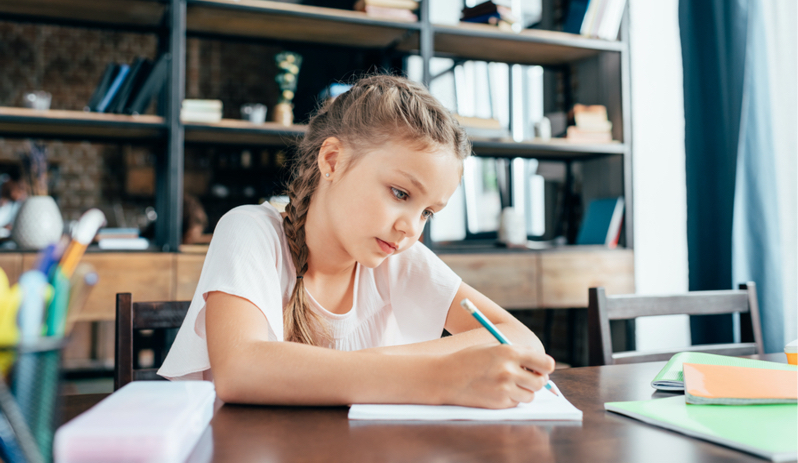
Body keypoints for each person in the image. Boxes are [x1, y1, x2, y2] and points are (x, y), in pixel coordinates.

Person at [158, 75, 555, 409]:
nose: (412, 229)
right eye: (400, 193)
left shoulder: (397, 256)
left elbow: (522, 339)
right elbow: (240, 369)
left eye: (427, 212)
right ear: (332, 161)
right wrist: (437, 377)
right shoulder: (248, 231)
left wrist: (393, 368)